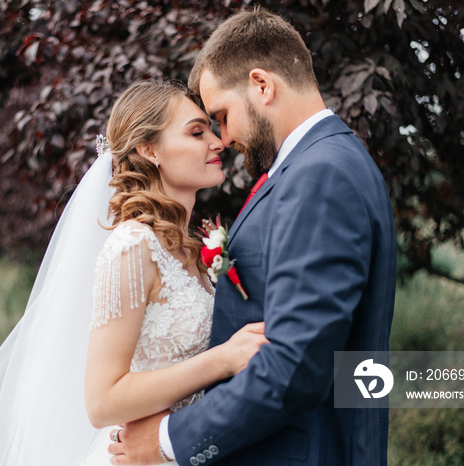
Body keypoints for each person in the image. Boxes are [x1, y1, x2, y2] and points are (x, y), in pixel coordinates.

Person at [109, 8, 397, 466]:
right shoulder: (319, 164)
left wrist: (168, 442)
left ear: (262, 86)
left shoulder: (320, 174)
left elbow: (295, 366)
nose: (223, 138)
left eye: (221, 115)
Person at [0, 80, 267, 466]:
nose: (217, 142)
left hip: (185, 447)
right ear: (148, 149)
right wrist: (223, 359)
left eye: (210, 129)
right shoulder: (133, 247)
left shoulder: (190, 248)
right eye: (196, 132)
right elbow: (103, 400)